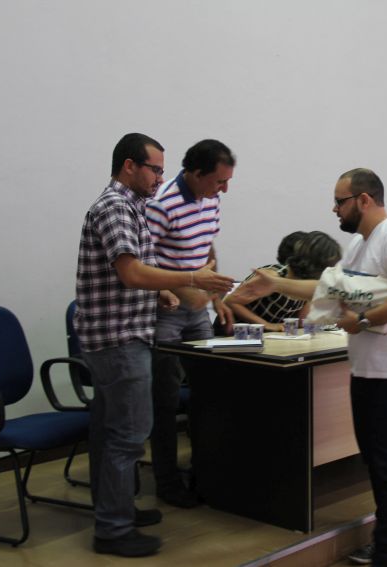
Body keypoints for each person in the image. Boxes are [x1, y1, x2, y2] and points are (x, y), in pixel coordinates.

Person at [233, 168, 387, 567]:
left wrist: (364, 320)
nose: (334, 209)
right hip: (368, 370)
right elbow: (328, 288)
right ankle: (385, 541)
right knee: (377, 460)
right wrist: (276, 284)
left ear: (363, 200)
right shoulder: (359, 244)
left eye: (340, 201)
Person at [75, 133, 234, 557]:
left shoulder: (134, 206)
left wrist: (160, 292)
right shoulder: (115, 207)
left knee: (112, 432)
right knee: (128, 434)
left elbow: (140, 272)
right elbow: (131, 273)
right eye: (155, 170)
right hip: (118, 337)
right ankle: (113, 529)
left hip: (127, 330)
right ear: (129, 166)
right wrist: (191, 279)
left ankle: (115, 510)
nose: (161, 178)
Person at [144, 139, 236, 508]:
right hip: (165, 310)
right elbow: (141, 262)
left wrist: (216, 296)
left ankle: (205, 474)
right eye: (219, 181)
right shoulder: (161, 203)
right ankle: (168, 483)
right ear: (196, 174)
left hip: (198, 311)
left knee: (209, 393)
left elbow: (207, 249)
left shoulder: (210, 198)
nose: (224, 189)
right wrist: (176, 290)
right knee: (165, 400)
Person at [223, 231, 342, 331]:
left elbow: (303, 320)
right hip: (233, 337)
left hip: (267, 338)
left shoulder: (304, 284)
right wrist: (267, 325)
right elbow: (230, 301)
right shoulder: (272, 275)